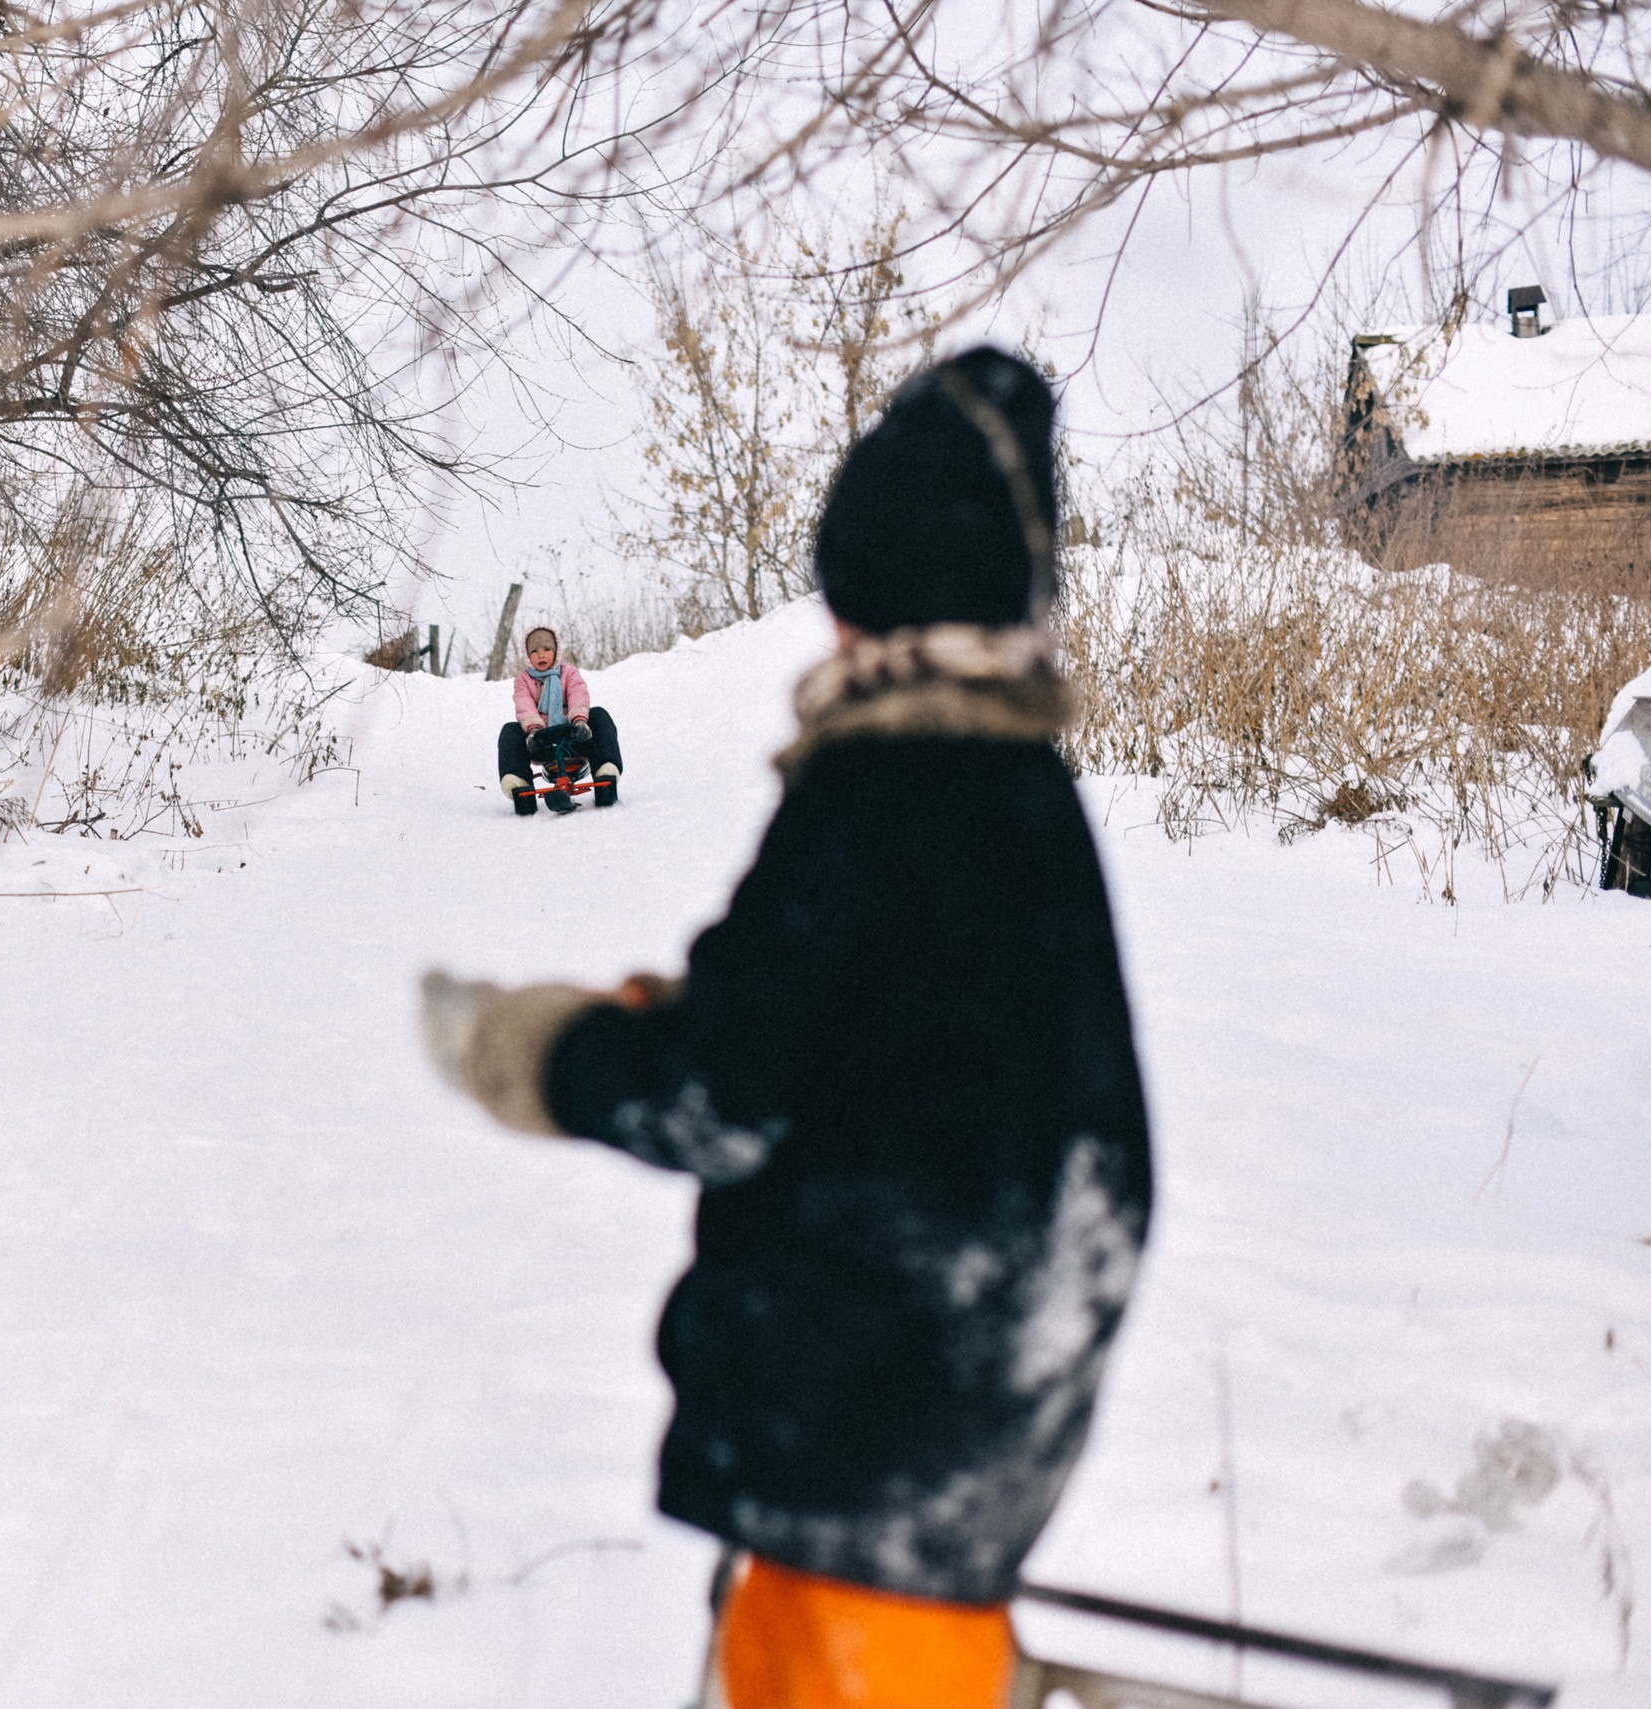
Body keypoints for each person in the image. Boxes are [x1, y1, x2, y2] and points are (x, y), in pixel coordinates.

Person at [421, 348, 1152, 1709]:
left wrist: (536, 1051)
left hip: (875, 1398)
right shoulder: (1022, 789)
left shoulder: (879, 783)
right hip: (995, 1392)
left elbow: (724, 1091)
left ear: (870, 594)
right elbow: (913, 1040)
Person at [499, 625, 623, 815]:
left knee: (599, 715)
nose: (541, 655)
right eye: (535, 651)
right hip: (541, 741)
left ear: (556, 651)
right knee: (510, 731)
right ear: (527, 655)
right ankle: (519, 784)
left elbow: (578, 695)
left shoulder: (569, 673)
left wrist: (579, 722)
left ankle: (605, 773)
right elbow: (524, 705)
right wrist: (534, 730)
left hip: (574, 737)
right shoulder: (523, 680)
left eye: (547, 649)